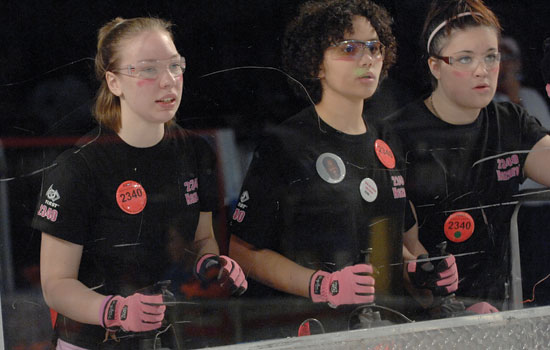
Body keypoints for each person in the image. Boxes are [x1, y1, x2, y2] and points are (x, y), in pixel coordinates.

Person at [228, 0, 457, 337]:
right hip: (309, 331)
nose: (367, 59)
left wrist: (426, 269)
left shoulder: (388, 141)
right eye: (349, 48)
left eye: (374, 48)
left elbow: (405, 244)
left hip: (383, 331)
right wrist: (322, 285)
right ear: (316, 63)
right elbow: (242, 251)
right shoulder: (286, 144)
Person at [33, 17, 247, 350]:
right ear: (114, 82)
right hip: (90, 343)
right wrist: (114, 310)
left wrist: (211, 264)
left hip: (167, 337)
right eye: (148, 70)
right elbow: (55, 285)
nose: (169, 81)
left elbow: (202, 239)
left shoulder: (195, 152)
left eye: (175, 66)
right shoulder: (79, 167)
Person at [386, 0, 550, 313]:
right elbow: (401, 249)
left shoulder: (509, 122)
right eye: (465, 59)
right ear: (435, 66)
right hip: (421, 320)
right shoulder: (398, 134)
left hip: (495, 312)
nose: (482, 70)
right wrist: (454, 309)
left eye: (491, 57)